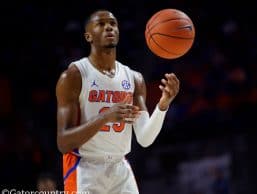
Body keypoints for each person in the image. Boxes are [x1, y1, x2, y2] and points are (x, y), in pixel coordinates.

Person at [56, 9, 180, 193]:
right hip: (85, 167)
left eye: (113, 24)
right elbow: (63, 142)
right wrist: (105, 117)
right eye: (101, 24)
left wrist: (163, 105)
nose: (109, 28)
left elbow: (145, 138)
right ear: (88, 36)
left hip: (120, 167)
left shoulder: (134, 79)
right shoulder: (74, 76)